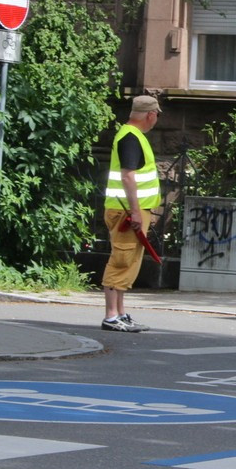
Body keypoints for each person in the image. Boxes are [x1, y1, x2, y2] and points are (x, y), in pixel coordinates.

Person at [100, 95, 162, 332]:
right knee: (122, 260)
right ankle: (111, 315)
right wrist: (136, 211)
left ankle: (121, 313)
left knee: (128, 262)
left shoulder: (132, 136)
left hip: (129, 210)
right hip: (127, 211)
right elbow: (128, 176)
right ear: (151, 115)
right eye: (156, 115)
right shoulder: (131, 137)